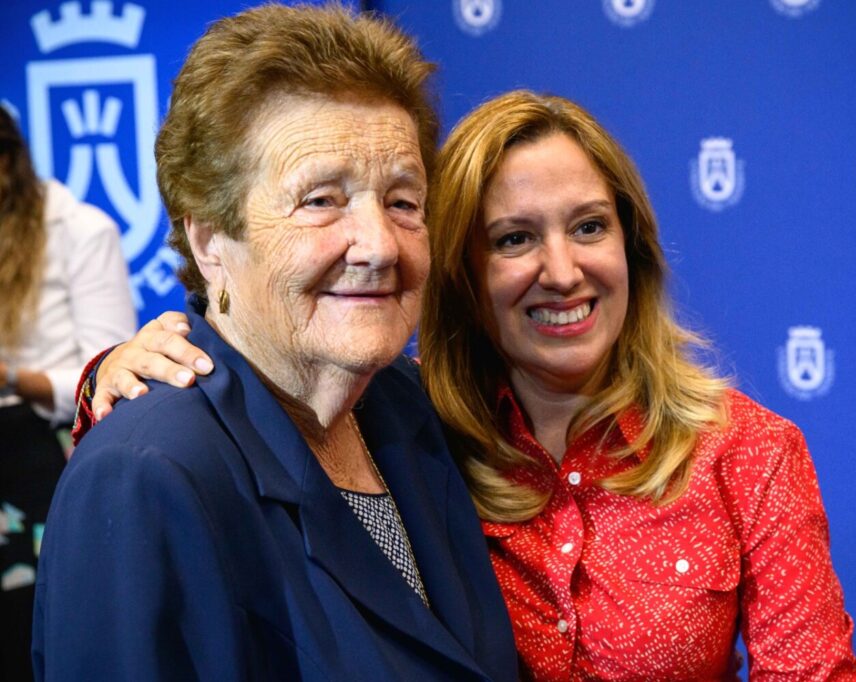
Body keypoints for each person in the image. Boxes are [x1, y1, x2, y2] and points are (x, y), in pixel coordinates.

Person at [76, 91, 856, 679]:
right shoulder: (409, 427)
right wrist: (107, 379)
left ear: (635, 247)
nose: (563, 272)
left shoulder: (746, 451)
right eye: (514, 239)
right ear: (461, 271)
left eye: (590, 226)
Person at [31, 5, 516, 680]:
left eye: (404, 202)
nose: (378, 245)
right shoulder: (145, 475)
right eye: (321, 200)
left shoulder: (406, 403)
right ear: (210, 241)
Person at [0, 106, 136, 681]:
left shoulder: (81, 229)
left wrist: (9, 375)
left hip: (46, 451)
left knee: (27, 630)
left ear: (7, 164)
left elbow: (106, 378)